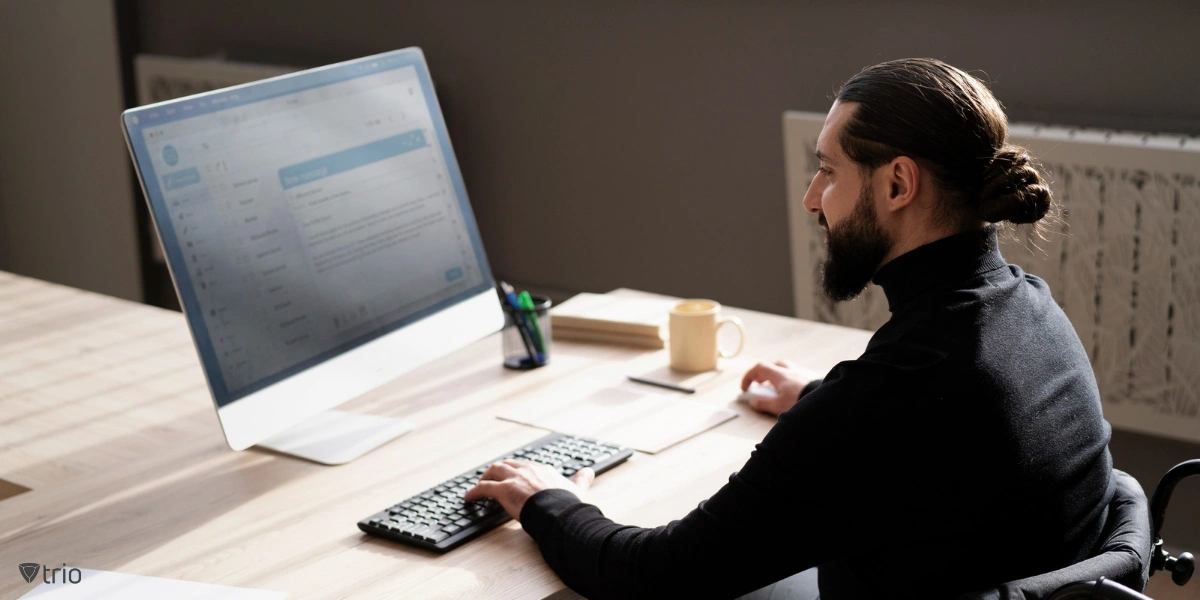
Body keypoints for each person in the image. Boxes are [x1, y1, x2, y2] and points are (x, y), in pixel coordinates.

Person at [465, 58, 1115, 599]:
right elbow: (928, 447)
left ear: (897, 184)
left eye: (829, 171)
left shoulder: (890, 395)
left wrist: (546, 500)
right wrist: (813, 401)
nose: (812, 198)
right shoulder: (1031, 312)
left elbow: (653, 575)